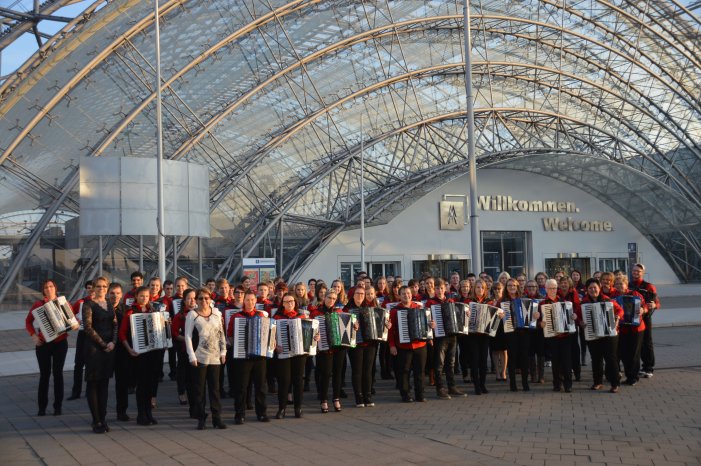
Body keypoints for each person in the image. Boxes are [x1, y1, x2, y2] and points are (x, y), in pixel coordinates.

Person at [26, 279, 78, 416]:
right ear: (43, 290)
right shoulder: (38, 304)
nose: (49, 289)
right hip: (43, 345)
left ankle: (57, 407)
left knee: (58, 374)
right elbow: (28, 322)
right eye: (46, 287)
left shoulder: (64, 303)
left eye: (51, 286)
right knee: (44, 375)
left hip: (60, 344)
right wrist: (34, 336)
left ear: (55, 288)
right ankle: (42, 407)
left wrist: (75, 325)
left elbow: (73, 321)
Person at [119, 286, 162, 425]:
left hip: (152, 353)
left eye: (147, 296)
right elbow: (122, 334)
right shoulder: (130, 312)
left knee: (150, 385)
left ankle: (149, 413)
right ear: (136, 296)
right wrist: (129, 349)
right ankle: (141, 414)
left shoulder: (153, 311)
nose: (144, 298)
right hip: (138, 354)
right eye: (142, 296)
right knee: (141, 385)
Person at [185, 288, 227, 430]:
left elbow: (221, 333)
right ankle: (201, 418)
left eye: (206, 298)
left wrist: (223, 351)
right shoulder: (192, 315)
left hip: (215, 356)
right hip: (200, 356)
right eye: (201, 298)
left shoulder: (216, 313)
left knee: (215, 389)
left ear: (210, 299)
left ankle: (217, 418)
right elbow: (188, 336)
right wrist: (191, 355)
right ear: (196, 300)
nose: (204, 301)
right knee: (199, 389)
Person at [273, 294, 318, 418]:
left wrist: (315, 337)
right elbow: (270, 336)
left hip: (300, 353)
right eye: (287, 302)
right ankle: (282, 408)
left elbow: (312, 332)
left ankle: (298, 408)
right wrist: (275, 345)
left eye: (292, 301)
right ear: (282, 303)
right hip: (284, 353)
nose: (290, 303)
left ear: (295, 302)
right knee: (284, 381)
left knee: (298, 381)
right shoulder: (277, 318)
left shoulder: (301, 316)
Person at [227, 290, 269, 424]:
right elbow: (230, 335)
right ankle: (239, 414)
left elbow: (267, 333)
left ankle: (261, 413)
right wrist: (237, 346)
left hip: (259, 357)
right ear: (243, 301)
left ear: (255, 301)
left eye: (252, 300)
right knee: (241, 386)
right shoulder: (236, 316)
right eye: (247, 300)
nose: (250, 302)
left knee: (260, 386)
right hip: (243, 357)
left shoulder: (261, 315)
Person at [82, 277, 117, 433]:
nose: (101, 289)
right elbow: (88, 328)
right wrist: (103, 344)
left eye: (104, 286)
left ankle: (103, 418)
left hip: (109, 348)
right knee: (93, 384)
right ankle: (96, 420)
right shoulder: (88, 304)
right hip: (94, 349)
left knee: (104, 384)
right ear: (93, 288)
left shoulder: (109, 303)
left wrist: (113, 343)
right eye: (98, 286)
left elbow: (115, 324)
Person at [581, 278, 624, 393]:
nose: (593, 290)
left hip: (609, 334)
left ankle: (615, 384)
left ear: (599, 288)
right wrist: (581, 322)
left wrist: (617, 318)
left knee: (611, 359)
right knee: (595, 359)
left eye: (595, 287)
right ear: (587, 290)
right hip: (593, 334)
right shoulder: (584, 302)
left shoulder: (607, 300)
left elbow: (620, 310)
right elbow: (579, 317)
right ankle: (597, 382)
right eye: (590, 288)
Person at [388, 285, 429, 403]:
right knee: (404, 371)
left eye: (408, 293)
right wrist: (392, 345)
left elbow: (427, 324)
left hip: (420, 345)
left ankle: (420, 394)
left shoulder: (419, 307)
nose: (407, 295)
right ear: (399, 296)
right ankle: (405, 394)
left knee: (420, 371)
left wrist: (431, 326)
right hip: (403, 346)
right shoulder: (395, 311)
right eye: (404, 294)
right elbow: (391, 331)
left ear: (412, 294)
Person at [426, 279, 464, 400]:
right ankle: (440, 388)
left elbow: (459, 313)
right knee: (439, 364)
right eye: (437, 288)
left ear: (445, 289)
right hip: (439, 336)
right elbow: (426, 320)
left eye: (441, 288)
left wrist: (466, 314)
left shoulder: (451, 301)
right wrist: (430, 325)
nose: (439, 290)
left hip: (452, 335)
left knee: (451, 363)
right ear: (434, 289)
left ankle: (452, 387)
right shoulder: (430, 303)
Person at [311, 291, 347, 413]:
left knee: (338, 374)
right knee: (325, 374)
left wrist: (354, 326)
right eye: (329, 298)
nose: (331, 300)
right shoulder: (316, 313)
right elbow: (310, 330)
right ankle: (324, 400)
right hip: (324, 348)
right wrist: (315, 336)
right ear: (324, 298)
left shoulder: (339, 312)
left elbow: (347, 327)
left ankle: (336, 398)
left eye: (333, 298)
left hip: (339, 348)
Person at [539, 279, 576, 393]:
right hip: (552, 336)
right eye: (550, 288)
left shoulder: (563, 301)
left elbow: (571, 317)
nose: (552, 290)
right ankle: (557, 384)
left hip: (564, 336)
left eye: (554, 288)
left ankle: (568, 384)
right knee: (555, 362)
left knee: (566, 361)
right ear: (546, 289)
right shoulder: (542, 303)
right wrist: (540, 322)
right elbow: (538, 320)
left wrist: (573, 316)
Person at [345, 287, 377, 407]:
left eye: (362, 294)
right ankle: (359, 397)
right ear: (352, 295)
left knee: (368, 371)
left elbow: (377, 323)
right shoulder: (347, 309)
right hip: (355, 344)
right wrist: (351, 327)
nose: (360, 296)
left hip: (369, 343)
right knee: (357, 371)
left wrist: (385, 325)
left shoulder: (370, 308)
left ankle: (367, 395)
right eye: (357, 293)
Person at [500, 278, 534, 391]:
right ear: (507, 287)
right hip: (510, 332)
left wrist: (535, 315)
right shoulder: (503, 301)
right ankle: (513, 384)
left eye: (514, 285)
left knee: (525, 357)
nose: (512, 287)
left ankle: (525, 382)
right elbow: (497, 316)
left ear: (517, 286)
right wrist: (500, 316)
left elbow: (531, 315)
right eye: (510, 285)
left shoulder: (523, 299)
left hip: (524, 332)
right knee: (512, 358)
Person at [614, 275, 648, 385]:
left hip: (636, 329)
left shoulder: (636, 295)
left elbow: (645, 306)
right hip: (622, 329)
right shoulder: (614, 297)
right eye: (617, 284)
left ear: (626, 284)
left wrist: (643, 310)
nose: (619, 286)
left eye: (621, 283)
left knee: (634, 354)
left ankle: (633, 377)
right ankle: (629, 375)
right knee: (624, 353)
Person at [629, 263, 659, 378]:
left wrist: (654, 305)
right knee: (637, 344)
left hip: (645, 318)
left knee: (647, 343)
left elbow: (657, 303)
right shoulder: (628, 284)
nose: (636, 272)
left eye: (638, 271)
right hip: (632, 319)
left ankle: (649, 367)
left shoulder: (649, 286)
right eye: (634, 270)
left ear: (643, 273)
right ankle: (640, 367)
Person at [109, 282, 132, 421]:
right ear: (108, 294)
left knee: (122, 382)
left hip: (122, 350)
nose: (115, 296)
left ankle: (121, 411)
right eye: (112, 293)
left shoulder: (127, 309)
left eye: (117, 293)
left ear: (122, 294)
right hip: (106, 349)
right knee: (104, 382)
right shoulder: (103, 308)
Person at [467, 279, 494, 395]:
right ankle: (476, 385)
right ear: (474, 289)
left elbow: (495, 317)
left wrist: (499, 314)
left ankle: (483, 384)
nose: (480, 289)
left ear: (485, 290)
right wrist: (466, 314)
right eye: (478, 287)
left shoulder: (489, 302)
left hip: (484, 335)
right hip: (473, 334)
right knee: (474, 360)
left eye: (482, 288)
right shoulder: (469, 301)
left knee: (483, 360)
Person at [172, 289, 196, 415]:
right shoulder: (179, 316)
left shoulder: (200, 313)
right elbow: (175, 333)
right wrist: (187, 341)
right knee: (183, 371)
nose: (192, 301)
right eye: (189, 298)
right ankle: (182, 393)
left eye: (194, 298)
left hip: (198, 349)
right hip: (183, 348)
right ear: (184, 300)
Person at [558, 276, 583, 382]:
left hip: (572, 324)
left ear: (570, 284)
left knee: (575, 350)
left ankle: (577, 373)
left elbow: (577, 307)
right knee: (563, 350)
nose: (564, 285)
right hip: (560, 324)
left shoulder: (573, 293)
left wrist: (575, 315)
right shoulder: (557, 292)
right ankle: (563, 372)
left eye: (566, 283)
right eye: (562, 283)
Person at [490, 280, 508, 381]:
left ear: (502, 289)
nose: (497, 290)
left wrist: (504, 314)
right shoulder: (490, 300)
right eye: (495, 289)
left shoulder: (505, 300)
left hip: (503, 327)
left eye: (499, 288)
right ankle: (497, 372)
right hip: (493, 327)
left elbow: (509, 313)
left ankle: (504, 372)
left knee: (504, 350)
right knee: (495, 351)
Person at [456, 279, 472, 383]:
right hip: (461, 329)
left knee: (471, 353)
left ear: (470, 288)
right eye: (463, 287)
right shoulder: (457, 300)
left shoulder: (473, 300)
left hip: (471, 329)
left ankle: (472, 373)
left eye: (467, 286)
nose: (465, 288)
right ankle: (465, 373)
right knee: (463, 352)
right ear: (460, 288)